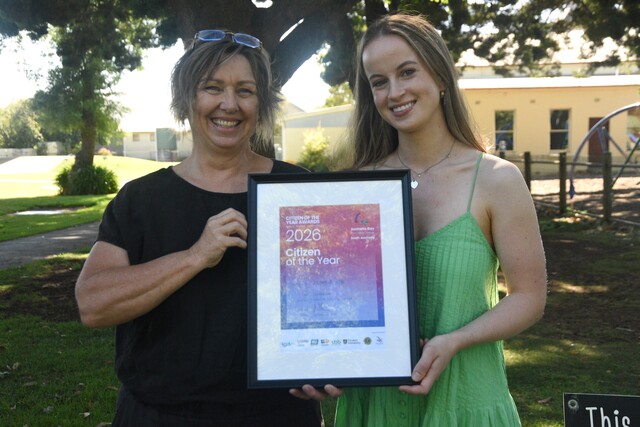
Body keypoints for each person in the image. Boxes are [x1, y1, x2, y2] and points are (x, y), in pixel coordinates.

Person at [290, 12, 547, 426]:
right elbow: (335, 303)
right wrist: (322, 362)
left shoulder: (496, 179)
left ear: (441, 76)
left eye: (407, 72)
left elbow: (529, 297)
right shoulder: (354, 188)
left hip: (467, 402)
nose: (395, 92)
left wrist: (456, 340)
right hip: (376, 410)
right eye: (379, 82)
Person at [75, 29, 322, 426]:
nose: (230, 104)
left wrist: (330, 364)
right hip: (159, 415)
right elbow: (93, 304)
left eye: (245, 91)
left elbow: (333, 295)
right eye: (212, 87)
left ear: (261, 104)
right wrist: (195, 256)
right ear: (186, 98)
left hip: (276, 415)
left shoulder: (297, 190)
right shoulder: (141, 200)